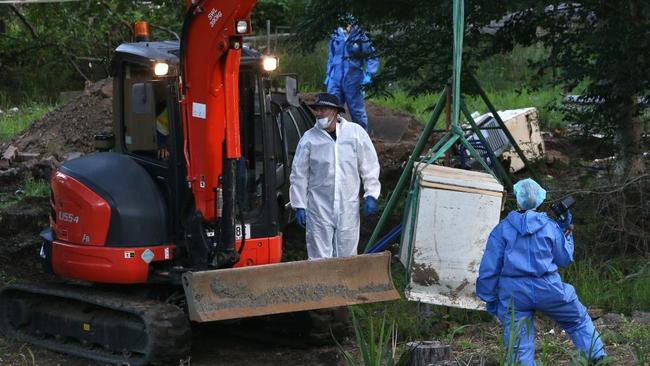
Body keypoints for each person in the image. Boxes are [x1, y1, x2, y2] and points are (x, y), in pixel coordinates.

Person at [476, 178, 606, 366]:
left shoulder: (501, 229)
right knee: (577, 320)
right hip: (549, 287)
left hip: (513, 293)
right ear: (539, 198)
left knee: (518, 344)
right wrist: (566, 234)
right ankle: (597, 358)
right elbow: (564, 259)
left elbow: (489, 269)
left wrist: (489, 298)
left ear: (517, 199)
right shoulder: (550, 227)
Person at [289, 93, 380, 259]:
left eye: (323, 109)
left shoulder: (355, 133)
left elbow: (369, 164)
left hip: (348, 206)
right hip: (319, 207)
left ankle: (344, 285)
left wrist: (371, 194)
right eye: (317, 110)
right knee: (319, 257)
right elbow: (299, 175)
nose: (318, 113)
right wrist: (299, 204)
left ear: (334, 112)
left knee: (347, 255)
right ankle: (322, 285)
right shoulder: (309, 139)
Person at [324, 20, 379, 130]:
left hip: (353, 80)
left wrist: (369, 75)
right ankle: (332, 139)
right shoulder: (336, 35)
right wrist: (329, 74)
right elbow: (331, 55)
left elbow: (372, 56)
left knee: (357, 113)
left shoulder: (360, 37)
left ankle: (361, 140)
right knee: (331, 110)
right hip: (335, 79)